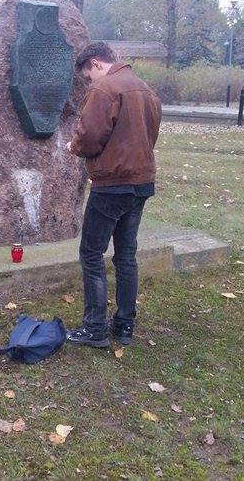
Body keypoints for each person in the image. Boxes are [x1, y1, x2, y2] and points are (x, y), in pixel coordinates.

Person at [64, 41, 161, 348]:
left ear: (95, 64)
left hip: (111, 184)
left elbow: (91, 135)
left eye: (87, 76)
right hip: (141, 183)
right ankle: (124, 325)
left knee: (91, 254)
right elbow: (151, 134)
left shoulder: (105, 89)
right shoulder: (146, 89)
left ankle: (94, 328)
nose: (89, 82)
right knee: (126, 255)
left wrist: (75, 147)